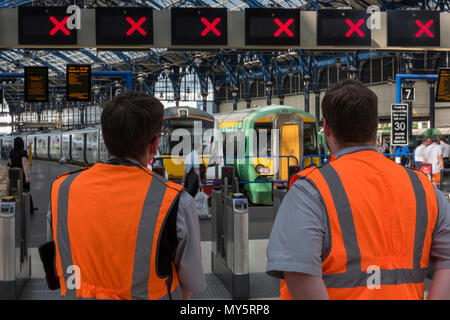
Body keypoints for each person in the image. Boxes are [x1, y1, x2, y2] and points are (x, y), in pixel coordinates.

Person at [266, 79, 450, 300]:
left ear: (326, 128)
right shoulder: (424, 188)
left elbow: (300, 273)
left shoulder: (310, 191)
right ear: (373, 127)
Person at [47, 91, 205, 300]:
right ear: (155, 144)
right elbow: (191, 282)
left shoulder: (62, 190)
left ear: (103, 138)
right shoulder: (176, 201)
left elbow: (55, 262)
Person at [8, 136, 35, 214]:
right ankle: (30, 209)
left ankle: (14, 208)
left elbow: (9, 162)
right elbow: (24, 164)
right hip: (21, 174)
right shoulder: (23, 152)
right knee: (26, 191)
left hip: (13, 175)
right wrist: (26, 176)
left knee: (14, 191)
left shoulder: (11, 152)